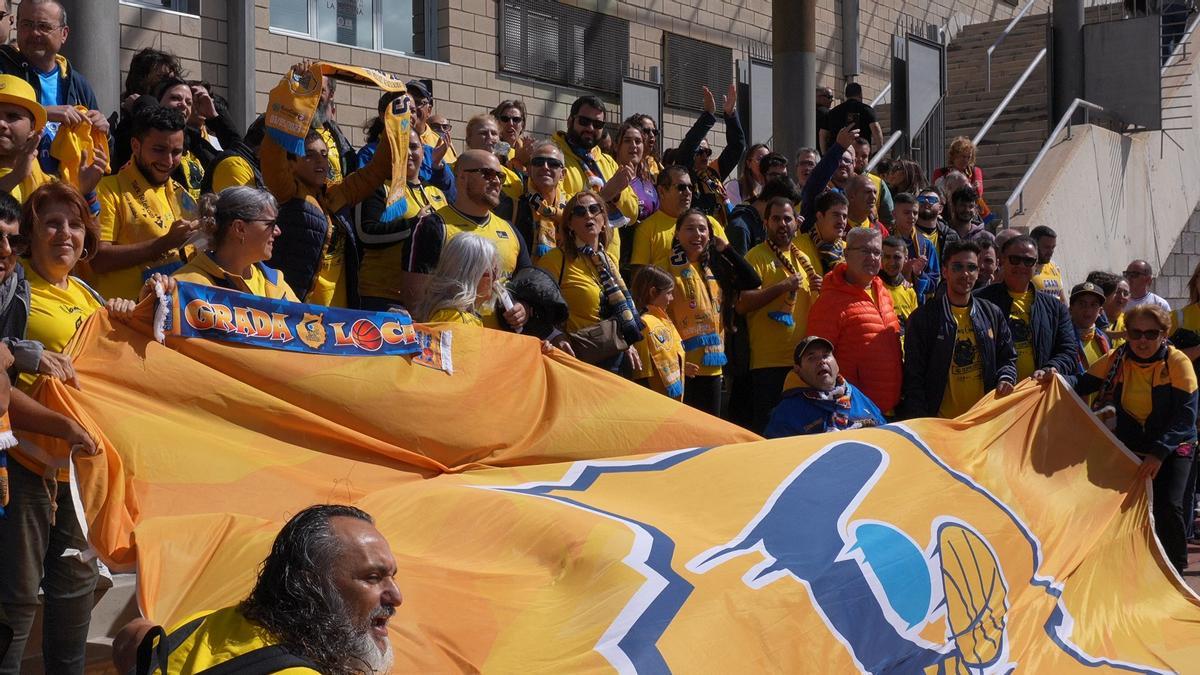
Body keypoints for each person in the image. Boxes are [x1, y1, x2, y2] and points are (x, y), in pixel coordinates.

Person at [0, 182, 134, 675]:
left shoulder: (91, 295)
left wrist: (121, 317)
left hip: (77, 473)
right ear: (30, 233)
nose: (65, 234)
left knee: (74, 597)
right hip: (21, 465)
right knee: (14, 600)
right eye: (53, 223)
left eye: (75, 224)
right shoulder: (11, 287)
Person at [112, 504, 401, 675]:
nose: (396, 597)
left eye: (392, 577)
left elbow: (130, 638)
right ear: (311, 584)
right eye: (373, 577)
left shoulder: (205, 623)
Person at [1040, 304, 1197, 573]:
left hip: (1174, 445)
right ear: (1127, 335)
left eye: (1151, 334)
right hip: (1133, 444)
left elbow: (1186, 416)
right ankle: (1122, 567)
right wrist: (1051, 376)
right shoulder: (1118, 358)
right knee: (1117, 505)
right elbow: (1081, 383)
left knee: (1168, 506)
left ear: (1164, 334)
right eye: (1135, 334)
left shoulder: (1177, 362)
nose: (1142, 341)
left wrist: (1158, 454)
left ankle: (1175, 571)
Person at [407, 149, 531, 330]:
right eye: (487, 173)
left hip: (503, 344)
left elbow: (526, 283)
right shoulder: (433, 226)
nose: (496, 181)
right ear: (462, 177)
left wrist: (524, 308)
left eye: (500, 176)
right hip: (456, 342)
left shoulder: (510, 229)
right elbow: (415, 299)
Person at [655, 208, 759, 416]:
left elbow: (753, 281)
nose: (697, 235)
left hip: (712, 366)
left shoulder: (715, 266)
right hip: (681, 366)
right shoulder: (664, 267)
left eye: (703, 229)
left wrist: (727, 249)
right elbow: (655, 316)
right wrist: (677, 357)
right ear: (677, 233)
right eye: (690, 229)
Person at [92, 104, 199, 302]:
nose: (168, 161)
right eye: (159, 150)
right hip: (125, 314)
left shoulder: (180, 193)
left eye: (176, 152)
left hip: (174, 311)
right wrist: (163, 244)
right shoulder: (108, 189)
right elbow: (98, 259)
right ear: (135, 145)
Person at [901, 239, 1017, 419]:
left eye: (971, 267)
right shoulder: (923, 319)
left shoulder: (992, 313)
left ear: (978, 272)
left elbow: (1007, 357)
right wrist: (922, 421)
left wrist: (1006, 378)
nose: (965, 274)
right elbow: (913, 379)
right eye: (957, 267)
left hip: (982, 421)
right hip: (941, 425)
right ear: (945, 271)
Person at [736, 196, 821, 432]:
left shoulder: (806, 257)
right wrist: (782, 287)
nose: (782, 224)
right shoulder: (755, 256)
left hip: (803, 363)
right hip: (768, 364)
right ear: (766, 223)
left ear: (797, 223)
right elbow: (741, 304)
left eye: (787, 218)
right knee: (769, 431)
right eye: (776, 219)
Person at [537, 191, 643, 370]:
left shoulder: (608, 260)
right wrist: (556, 336)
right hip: (578, 358)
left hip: (615, 356)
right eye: (579, 212)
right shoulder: (555, 259)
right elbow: (536, 308)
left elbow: (619, 308)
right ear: (569, 224)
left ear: (603, 221)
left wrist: (629, 342)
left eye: (594, 209)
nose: (588, 215)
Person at [0, 0, 106, 178]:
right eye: (27, 24)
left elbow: (100, 155)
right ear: (16, 26)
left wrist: (104, 133)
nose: (34, 33)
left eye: (44, 26)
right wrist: (42, 114)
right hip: (13, 191)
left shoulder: (79, 84)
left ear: (63, 34)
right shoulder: (3, 67)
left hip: (64, 196)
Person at [806, 227, 903, 414]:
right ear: (846, 254)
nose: (873, 257)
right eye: (865, 251)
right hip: (853, 412)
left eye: (877, 252)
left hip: (889, 409)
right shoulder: (829, 301)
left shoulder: (882, 291)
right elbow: (816, 361)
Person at [975, 235, 1077, 381]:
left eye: (1029, 261)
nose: (1022, 266)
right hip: (995, 395)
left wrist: (1052, 368)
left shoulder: (1055, 308)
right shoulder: (979, 302)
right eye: (1015, 259)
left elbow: (1068, 350)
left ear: (1036, 265)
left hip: (1037, 394)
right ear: (1002, 260)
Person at [172, 187, 298, 300]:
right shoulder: (184, 286)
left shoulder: (275, 282)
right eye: (270, 224)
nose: (277, 231)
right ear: (240, 228)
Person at [0, 73, 103, 203]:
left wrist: (85, 192)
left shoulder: (45, 182)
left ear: (32, 128)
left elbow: (80, 221)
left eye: (12, 116)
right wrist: (15, 177)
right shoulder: (24, 174)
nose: (1, 123)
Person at [551, 96, 639, 247]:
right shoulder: (553, 158)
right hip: (572, 255)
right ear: (570, 121)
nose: (590, 128)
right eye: (584, 121)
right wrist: (604, 196)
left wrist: (617, 195)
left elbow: (632, 214)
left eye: (597, 124)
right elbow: (558, 208)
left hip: (609, 259)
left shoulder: (608, 161)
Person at [763, 336, 886, 438]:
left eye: (826, 355)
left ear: (836, 362)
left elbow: (885, 432)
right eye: (811, 358)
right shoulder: (787, 411)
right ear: (798, 370)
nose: (822, 361)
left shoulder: (855, 394)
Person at [630, 165, 726, 271]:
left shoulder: (709, 223)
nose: (688, 192)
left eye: (690, 187)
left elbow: (729, 265)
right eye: (681, 187)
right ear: (661, 191)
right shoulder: (646, 229)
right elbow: (639, 277)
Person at [676, 84, 744, 226]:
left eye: (708, 152)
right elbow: (689, 145)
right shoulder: (683, 173)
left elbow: (736, 147)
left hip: (718, 237)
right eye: (700, 151)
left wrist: (730, 115)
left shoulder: (713, 174)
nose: (704, 156)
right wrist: (708, 115)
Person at [415, 233, 504, 326]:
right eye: (492, 272)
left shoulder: (451, 315)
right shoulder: (457, 320)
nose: (496, 278)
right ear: (471, 276)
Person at [630, 264, 690, 400]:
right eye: (668, 293)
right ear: (652, 292)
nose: (672, 298)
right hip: (656, 401)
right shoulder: (644, 324)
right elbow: (642, 374)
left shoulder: (663, 320)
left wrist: (682, 366)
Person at [510, 140, 566, 263]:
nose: (545, 167)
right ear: (529, 170)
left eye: (553, 163)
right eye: (538, 162)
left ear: (563, 174)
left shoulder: (571, 211)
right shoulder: (514, 207)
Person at [890, 192, 938, 300]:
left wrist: (919, 274)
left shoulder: (925, 245)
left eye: (915, 213)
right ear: (894, 214)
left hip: (917, 304)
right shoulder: (885, 240)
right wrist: (901, 273)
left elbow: (934, 282)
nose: (912, 217)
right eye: (906, 212)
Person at [819, 81, 882, 151]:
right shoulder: (866, 109)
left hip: (836, 153)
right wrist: (880, 150)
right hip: (859, 152)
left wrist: (824, 154)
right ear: (860, 94)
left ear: (846, 95)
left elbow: (822, 134)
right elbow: (876, 128)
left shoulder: (832, 112)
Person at [796, 190, 848, 276]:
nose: (841, 221)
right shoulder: (797, 247)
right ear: (820, 216)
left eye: (845, 216)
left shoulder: (848, 250)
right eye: (836, 215)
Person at [1068, 281, 1112, 374]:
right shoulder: (1062, 339)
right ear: (1071, 308)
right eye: (1082, 304)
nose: (1088, 310)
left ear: (1100, 311)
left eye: (1093, 305)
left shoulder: (1105, 338)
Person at [879, 236, 917, 334]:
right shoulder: (873, 287)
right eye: (887, 257)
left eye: (897, 257)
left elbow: (915, 328)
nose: (892, 262)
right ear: (880, 258)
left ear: (906, 258)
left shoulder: (909, 291)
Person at [914, 186, 958, 264]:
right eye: (921, 199)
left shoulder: (951, 236)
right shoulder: (907, 231)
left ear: (940, 209)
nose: (926, 201)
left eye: (932, 200)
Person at [1089, 269, 1130, 345]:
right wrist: (1123, 334)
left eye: (1126, 293)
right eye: (1117, 292)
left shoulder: (1130, 322)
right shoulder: (1090, 316)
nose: (1121, 296)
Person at [1030, 225, 1067, 303]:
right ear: (1034, 245)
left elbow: (1062, 300)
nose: (1051, 252)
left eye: (1053, 247)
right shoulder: (1026, 268)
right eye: (1046, 247)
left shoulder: (1054, 267)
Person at [491, 99, 529, 166]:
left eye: (516, 119)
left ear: (522, 125)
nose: (510, 123)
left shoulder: (527, 152)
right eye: (505, 119)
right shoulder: (491, 148)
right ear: (497, 122)